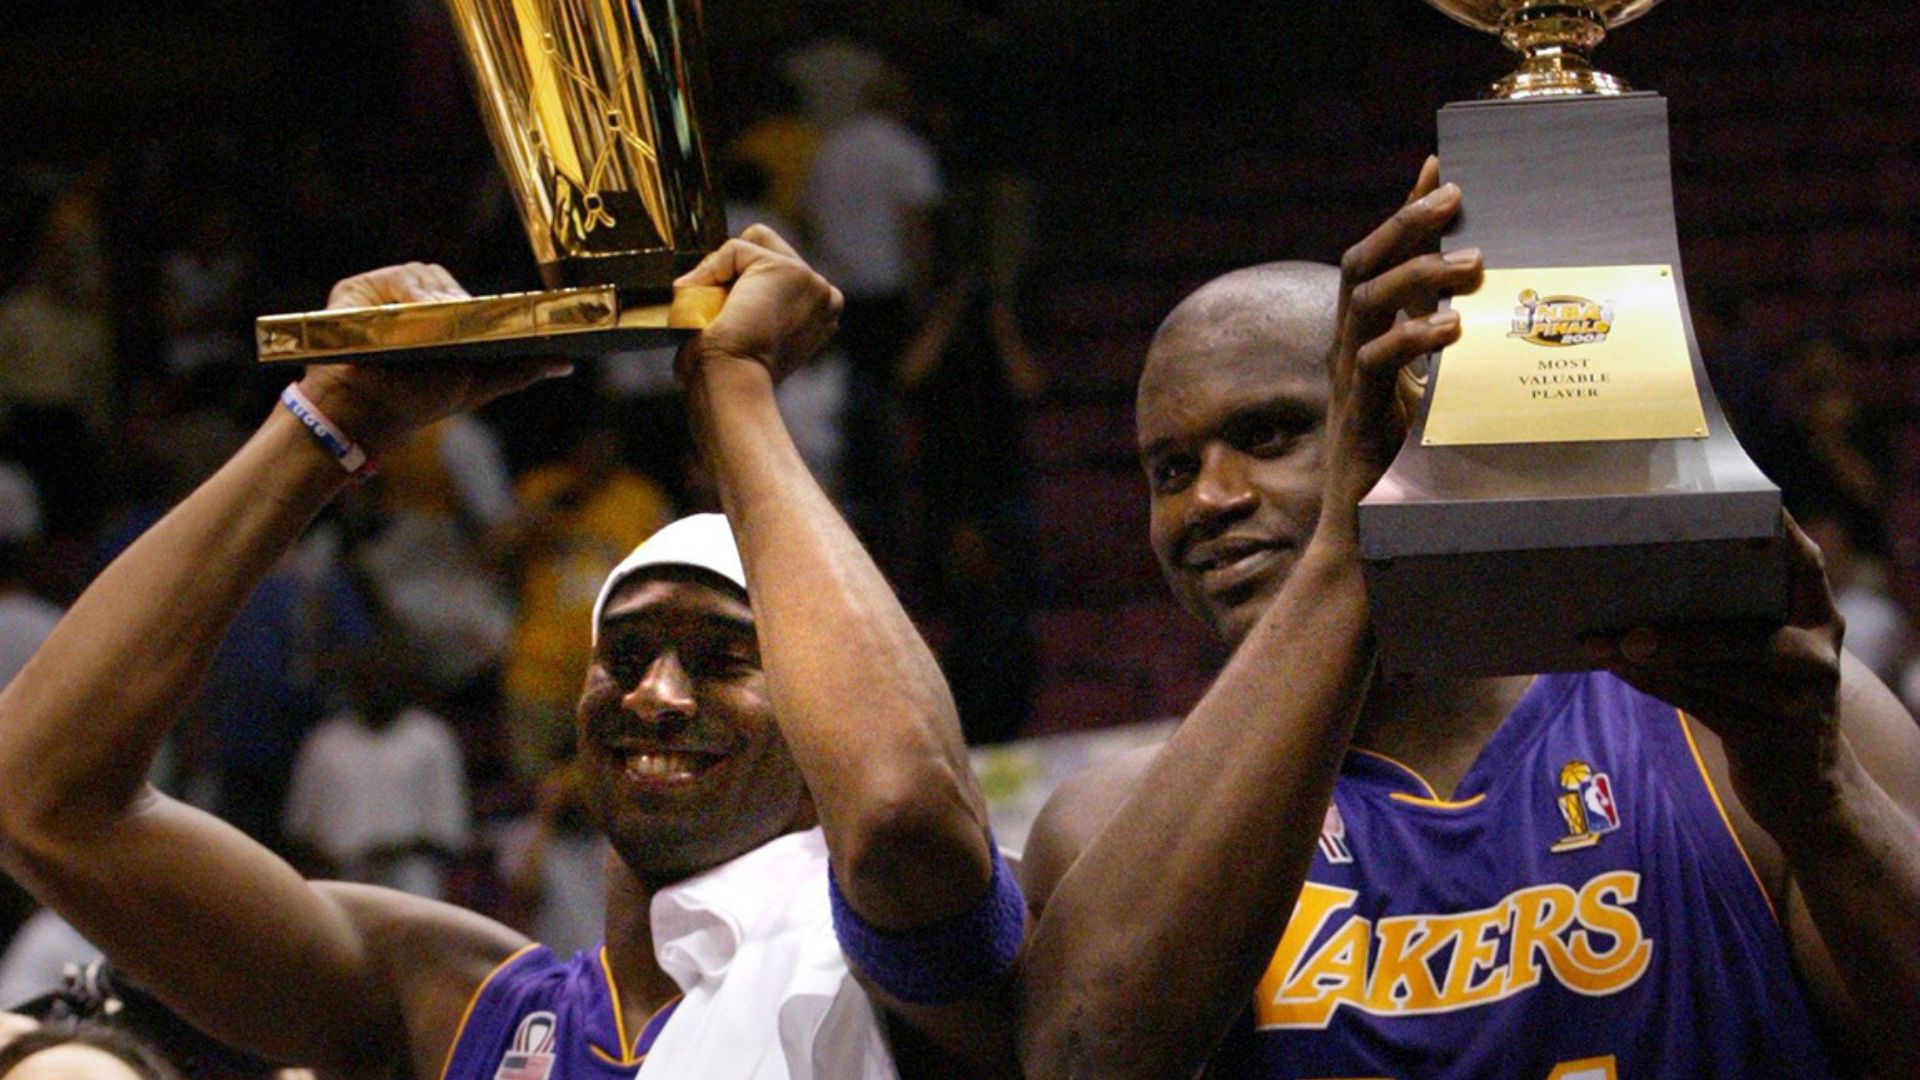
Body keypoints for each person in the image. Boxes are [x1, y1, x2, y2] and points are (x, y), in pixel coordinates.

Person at [0, 232, 1021, 1079]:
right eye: (625, 654)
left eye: (725, 658)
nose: (658, 695)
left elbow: (900, 812)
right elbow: (42, 796)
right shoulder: (462, 1006)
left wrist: (734, 391)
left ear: (819, 710)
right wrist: (328, 421)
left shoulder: (906, 981)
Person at [1016, 160, 1920, 1077]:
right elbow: (1087, 1062)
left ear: (1412, 424)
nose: (1209, 499)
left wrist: (1824, 805)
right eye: (1170, 471)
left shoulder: (1745, 726)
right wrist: (1347, 555)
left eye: (1269, 434)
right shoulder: (1108, 827)